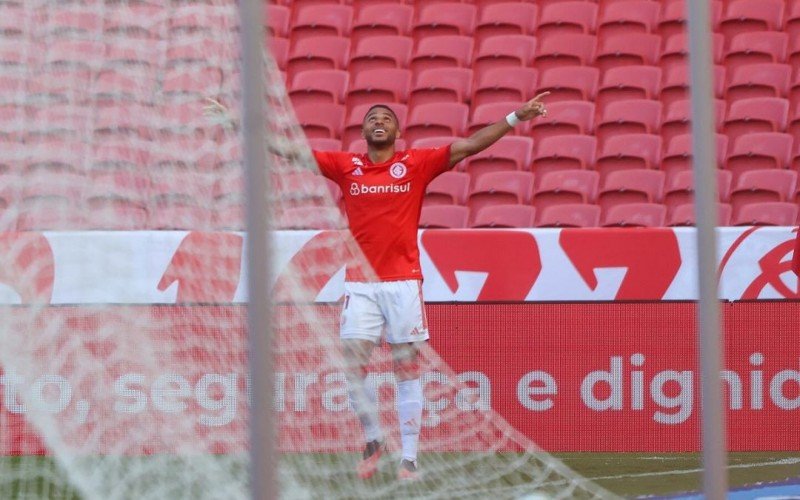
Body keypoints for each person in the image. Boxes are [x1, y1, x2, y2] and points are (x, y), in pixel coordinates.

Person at [206, 92, 550, 481]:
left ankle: (409, 458)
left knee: (405, 368)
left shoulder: (417, 164)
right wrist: (237, 122)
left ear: (398, 131)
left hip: (403, 283)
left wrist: (515, 116)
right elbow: (289, 149)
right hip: (361, 285)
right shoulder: (345, 166)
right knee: (353, 365)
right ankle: (373, 440)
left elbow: (469, 146)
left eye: (386, 117)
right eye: (372, 118)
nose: (379, 121)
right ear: (364, 132)